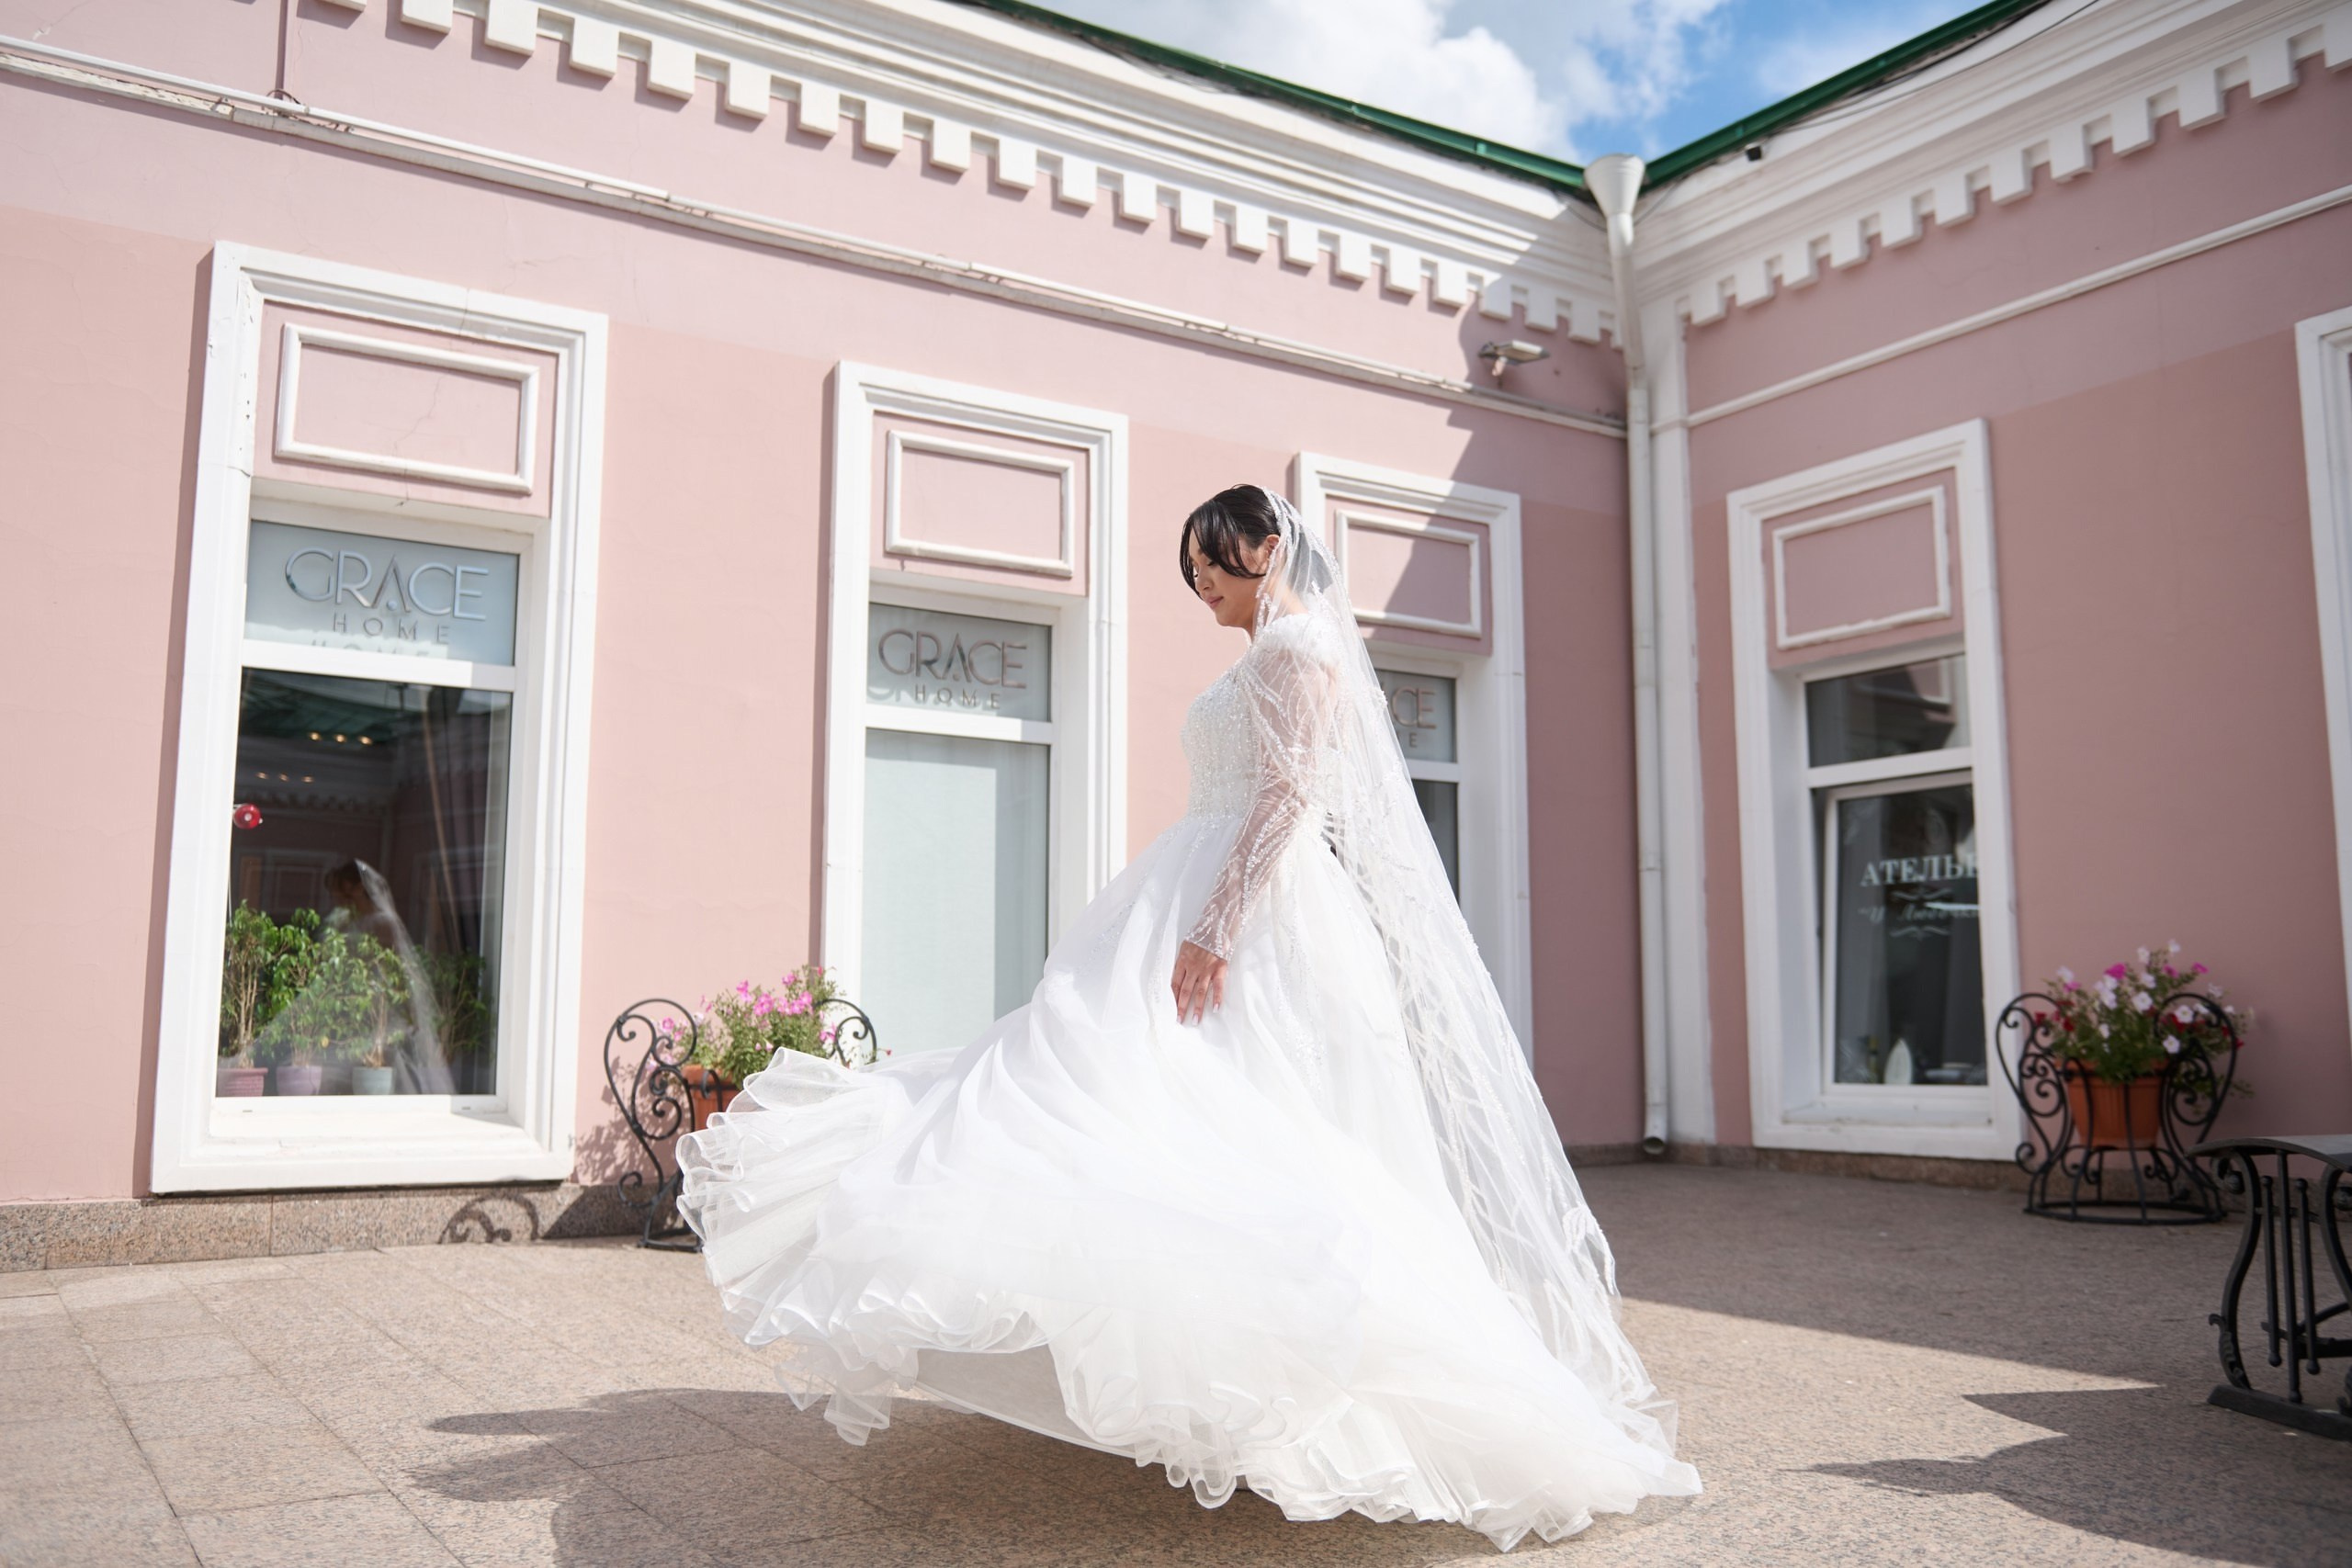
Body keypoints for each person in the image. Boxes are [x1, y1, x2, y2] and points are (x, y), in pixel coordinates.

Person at [678, 485, 1699, 1550]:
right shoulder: (1267, 652)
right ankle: (1200, 1368)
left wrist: (1215, 926)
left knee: (1244, 1126)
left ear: (1266, 547)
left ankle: (1300, 1375)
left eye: (1213, 560)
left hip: (1250, 913)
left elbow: (1289, 794)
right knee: (1150, 1112)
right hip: (1198, 888)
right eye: (1189, 570)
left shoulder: (1299, 648)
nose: (1201, 582)